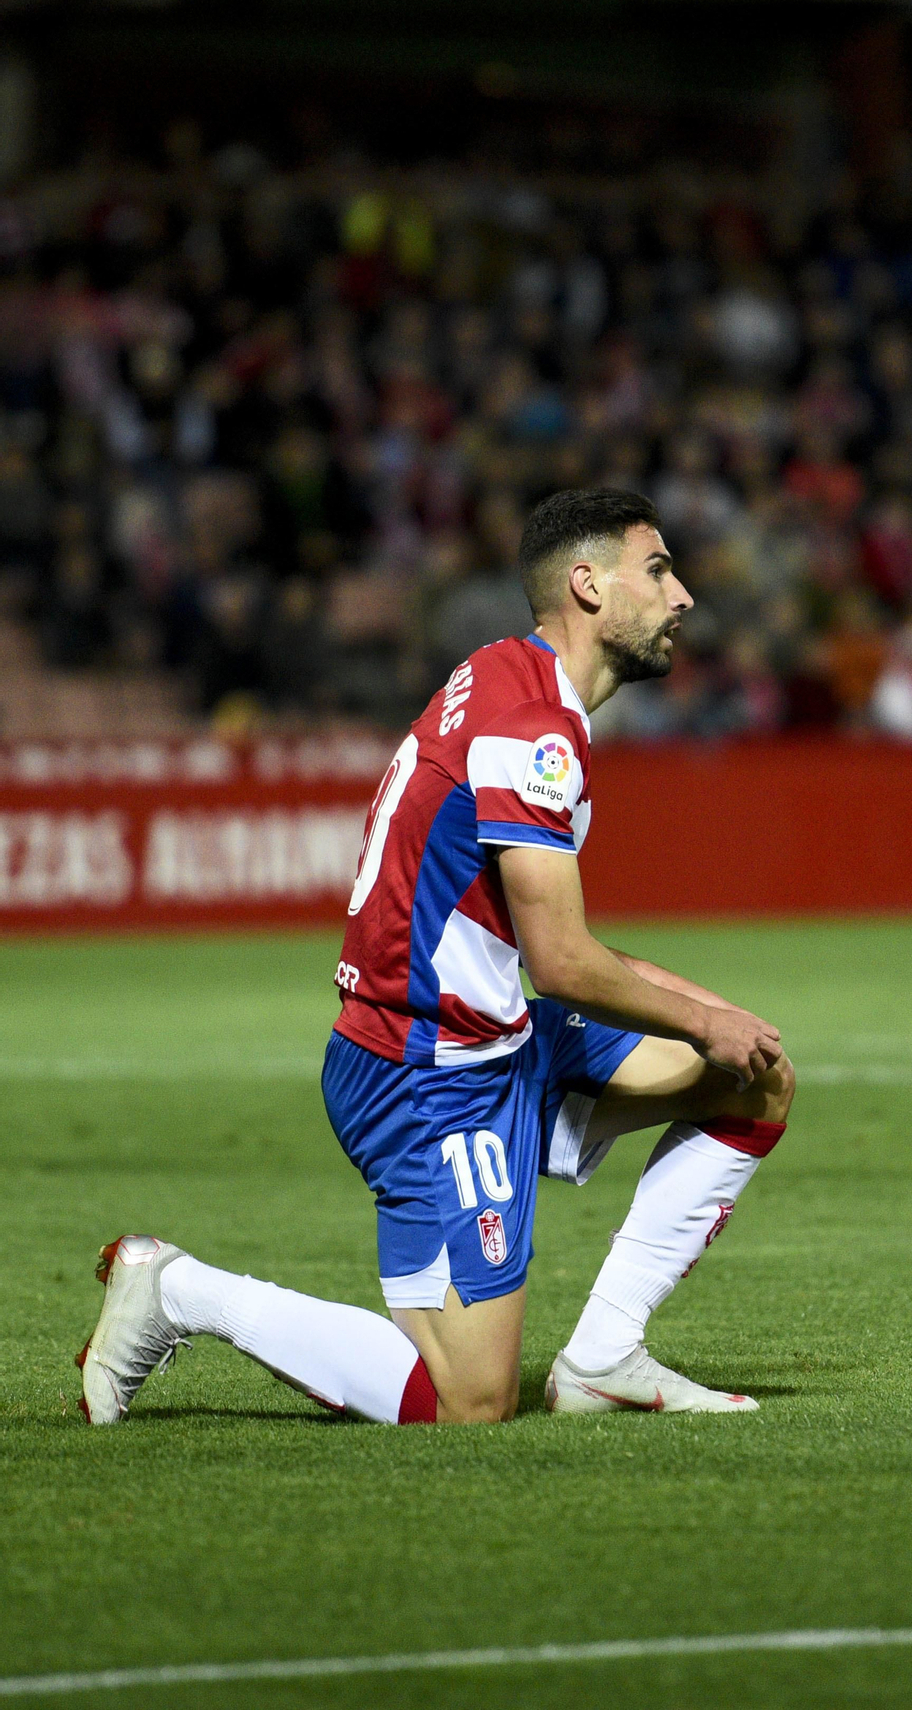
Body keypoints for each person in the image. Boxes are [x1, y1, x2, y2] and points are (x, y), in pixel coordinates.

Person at [79, 489, 795, 1425]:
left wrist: (724, 1022)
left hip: (496, 1042)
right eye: (658, 570)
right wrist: (706, 1017)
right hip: (423, 1075)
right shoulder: (533, 735)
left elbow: (551, 944)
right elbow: (564, 964)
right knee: (469, 1399)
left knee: (755, 1079)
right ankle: (175, 1290)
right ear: (588, 586)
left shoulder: (513, 681)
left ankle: (603, 1358)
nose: (684, 596)